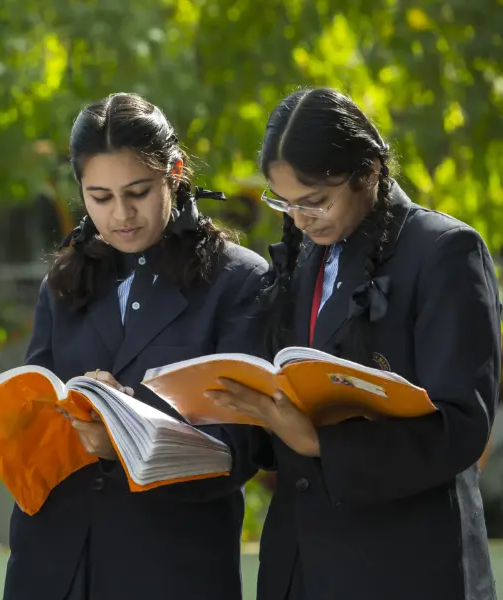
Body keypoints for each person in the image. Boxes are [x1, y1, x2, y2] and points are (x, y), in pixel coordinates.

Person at [208, 88, 499, 600]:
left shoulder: (444, 251)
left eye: (315, 201)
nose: (299, 219)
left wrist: (320, 442)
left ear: (368, 170)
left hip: (405, 565)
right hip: (300, 563)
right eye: (285, 202)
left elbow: (463, 429)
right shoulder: (303, 256)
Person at [2, 92, 269, 600]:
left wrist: (124, 435)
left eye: (138, 192)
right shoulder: (62, 282)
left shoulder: (238, 281)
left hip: (169, 568)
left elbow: (241, 450)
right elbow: (34, 427)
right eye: (99, 198)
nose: (121, 214)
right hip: (53, 566)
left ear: (176, 171)